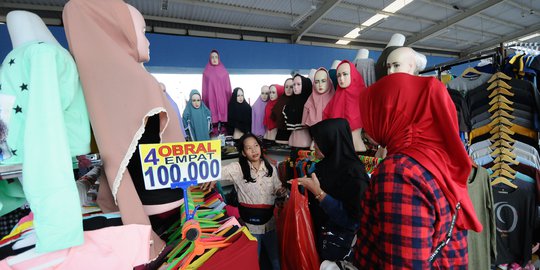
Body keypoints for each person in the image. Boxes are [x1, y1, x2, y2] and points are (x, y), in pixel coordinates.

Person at [63, 0, 185, 259]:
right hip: (159, 197)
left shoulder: (90, 83)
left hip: (131, 195)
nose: (148, 41)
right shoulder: (137, 81)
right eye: (141, 32)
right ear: (120, 33)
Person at [355, 46, 482, 269]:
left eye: (375, 111)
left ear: (389, 115)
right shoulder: (436, 157)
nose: (367, 123)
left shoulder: (399, 172)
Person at [203, 134, 286, 270]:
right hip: (251, 228)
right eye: (249, 148)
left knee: (275, 261)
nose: (254, 150)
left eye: (256, 146)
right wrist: (210, 176)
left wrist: (280, 191)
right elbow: (217, 171)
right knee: (253, 262)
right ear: (243, 152)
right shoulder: (237, 169)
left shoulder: (270, 168)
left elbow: (276, 187)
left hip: (270, 225)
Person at [294, 118, 370, 262]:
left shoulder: (354, 174)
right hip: (319, 239)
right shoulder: (321, 166)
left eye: (317, 142)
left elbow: (353, 220)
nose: (313, 147)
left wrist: (319, 193)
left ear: (331, 141)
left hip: (341, 247)